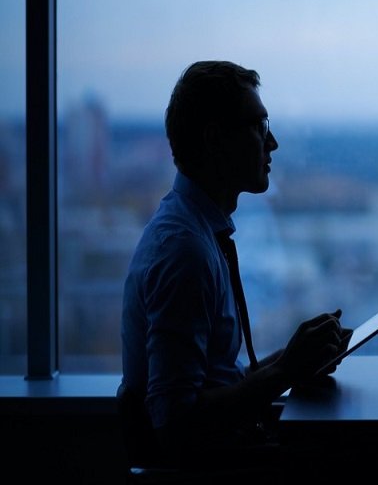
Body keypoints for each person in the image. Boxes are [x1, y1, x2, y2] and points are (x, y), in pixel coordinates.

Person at [120, 60, 350, 471]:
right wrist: (286, 370)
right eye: (259, 127)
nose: (272, 142)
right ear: (215, 140)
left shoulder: (192, 233)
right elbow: (176, 425)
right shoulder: (185, 253)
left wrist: (293, 360)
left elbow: (215, 382)